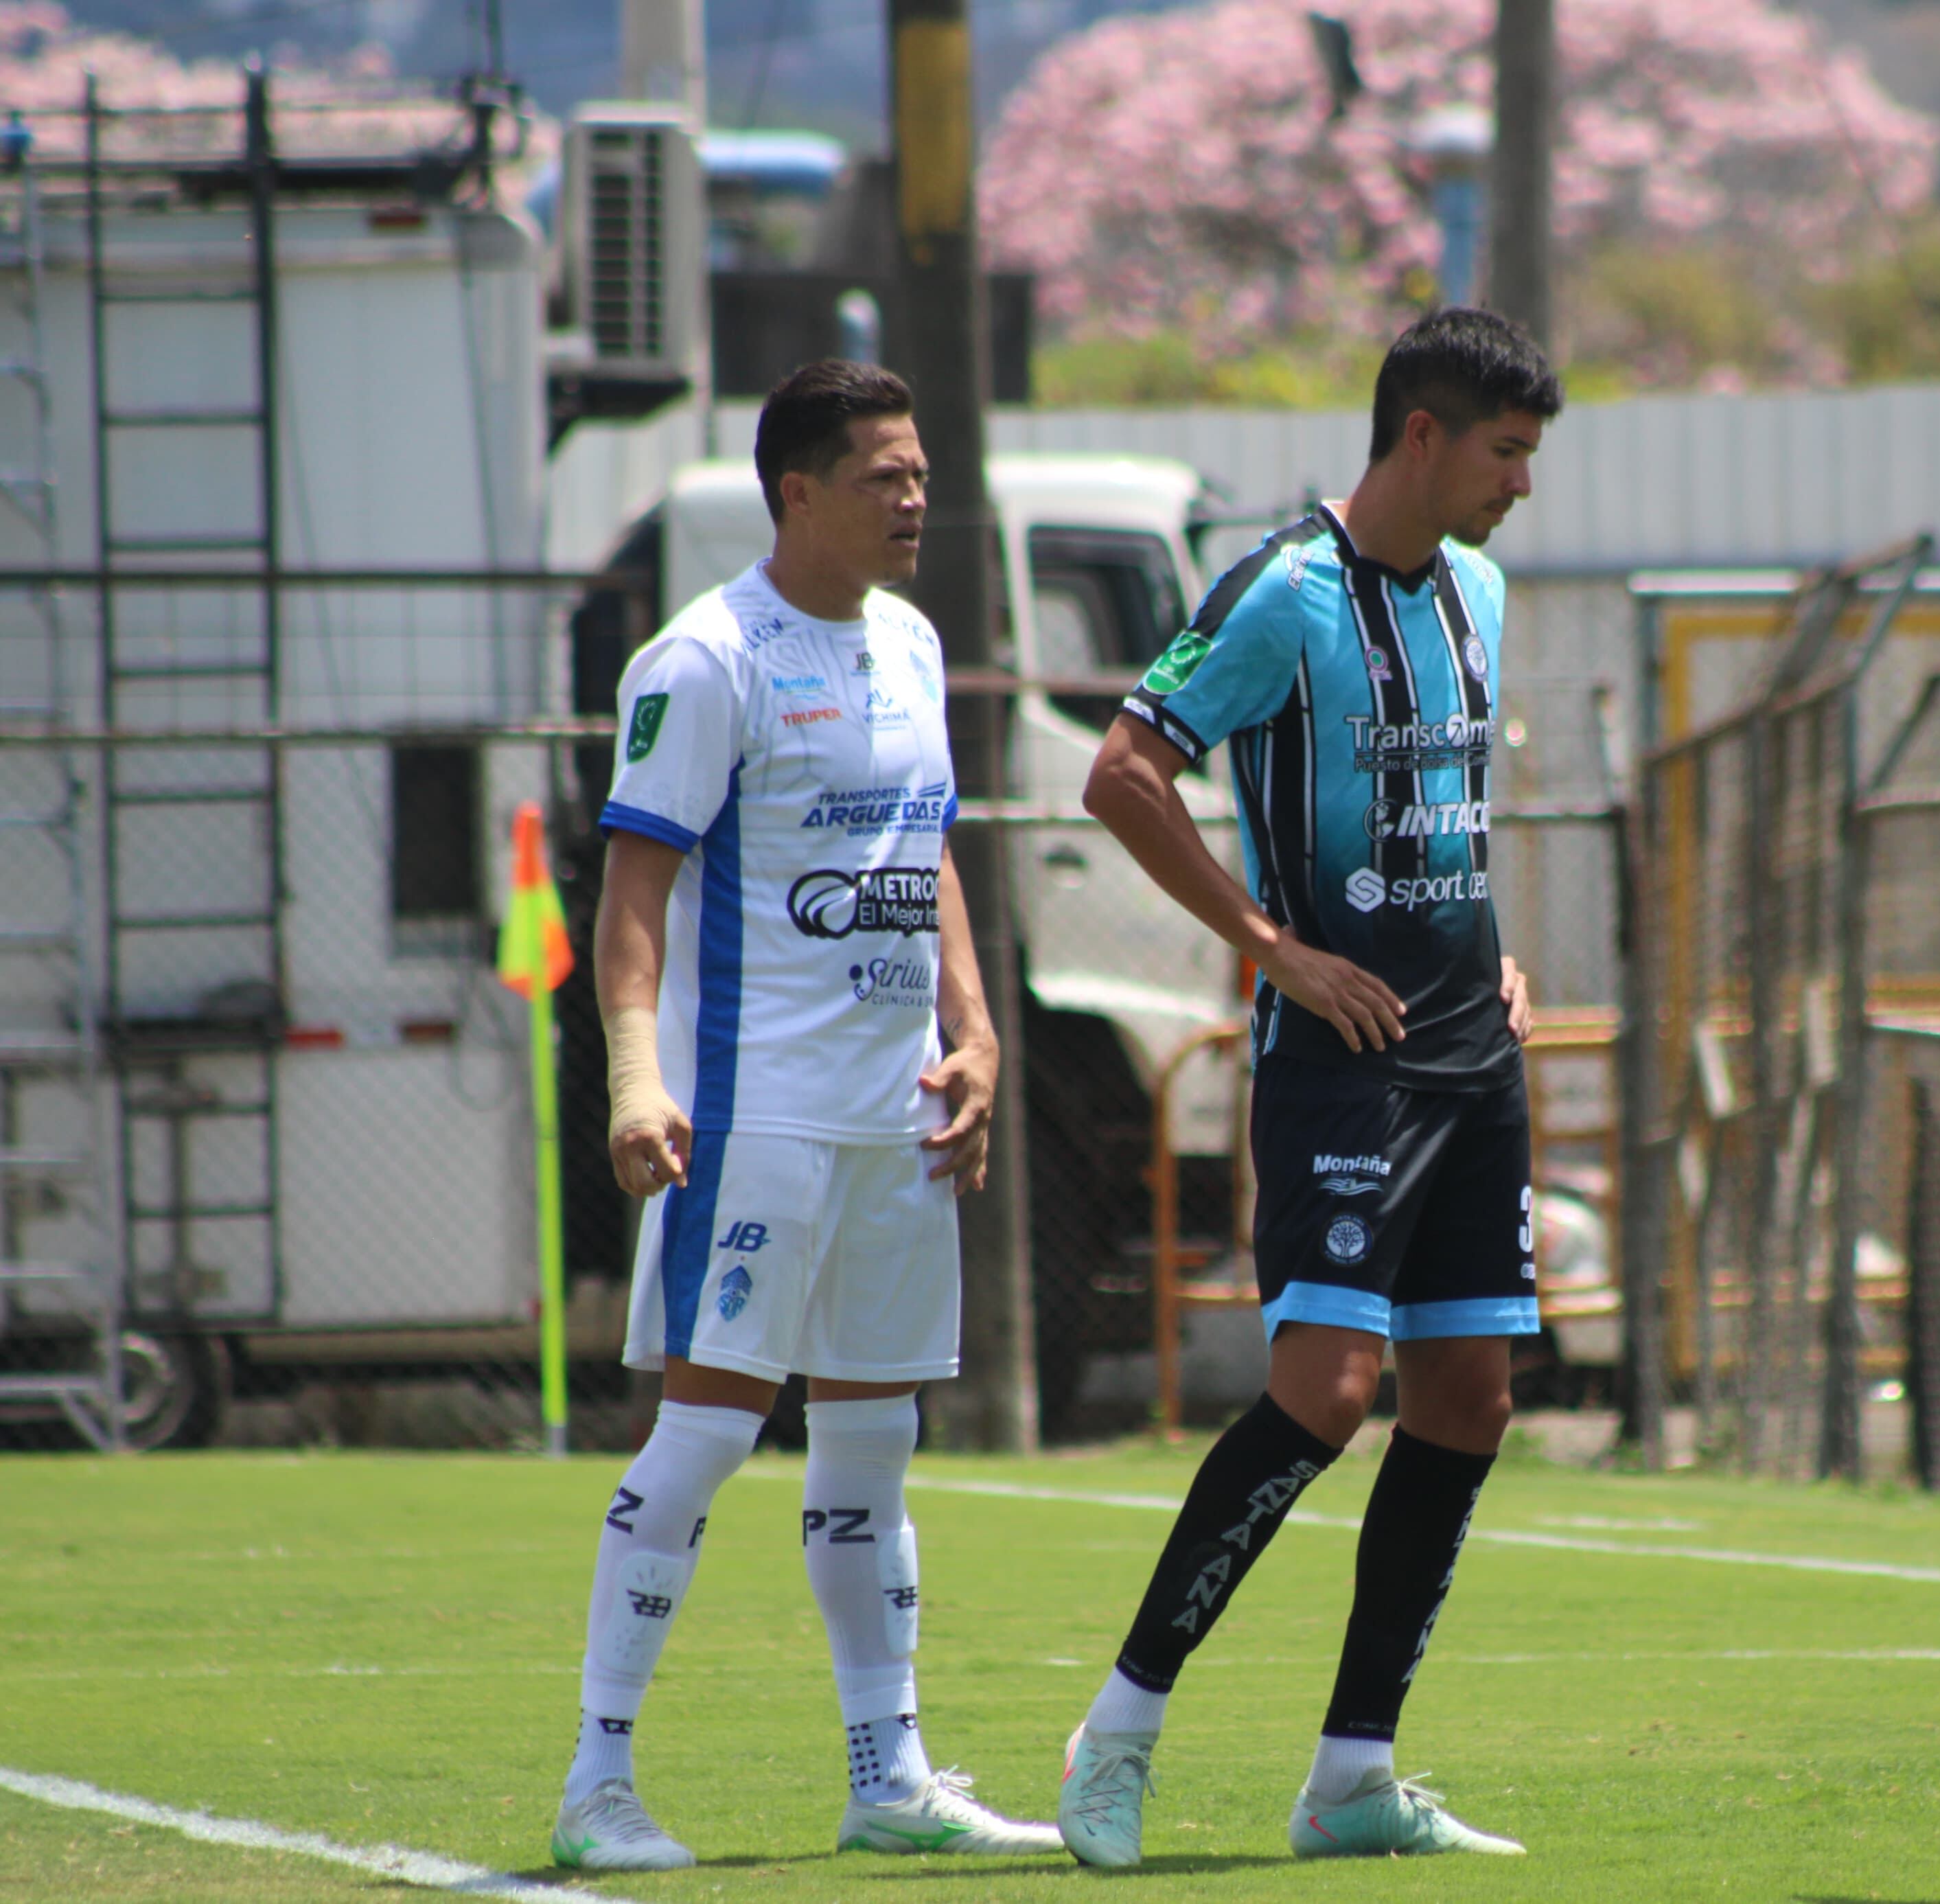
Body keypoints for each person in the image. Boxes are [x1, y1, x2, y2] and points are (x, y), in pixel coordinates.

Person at [1058, 308, 1560, 1867]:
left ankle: (1352, 1775)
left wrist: (1502, 954)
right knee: (1323, 1393)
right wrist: (1272, 949)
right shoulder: (1282, 591)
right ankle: (1121, 1725)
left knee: (1467, 1400)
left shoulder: (1476, 588)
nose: (1518, 487)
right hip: (1343, 1065)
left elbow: (1449, 809)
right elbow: (1123, 774)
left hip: (1474, 1051)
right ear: (1421, 433)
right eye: (1503, 452)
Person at [549, 360, 1061, 1871]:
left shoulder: (908, 641)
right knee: (702, 1439)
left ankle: (885, 1774)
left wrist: (973, 1033)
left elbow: (930, 852)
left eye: (920, 472)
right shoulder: (703, 661)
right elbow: (630, 893)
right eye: (884, 475)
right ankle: (597, 1784)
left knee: (872, 1448)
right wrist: (638, 1080)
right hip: (754, 1117)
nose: (916, 497)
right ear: (797, 493)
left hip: (892, 1120)